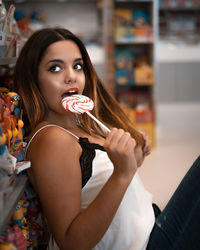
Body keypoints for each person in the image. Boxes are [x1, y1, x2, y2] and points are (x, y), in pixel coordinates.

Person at [13, 27, 200, 250]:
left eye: (77, 66)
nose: (71, 76)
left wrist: (133, 156)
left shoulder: (81, 124)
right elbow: (72, 243)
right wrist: (122, 174)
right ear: (34, 80)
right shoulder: (53, 139)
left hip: (151, 226)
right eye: (55, 68)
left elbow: (97, 182)